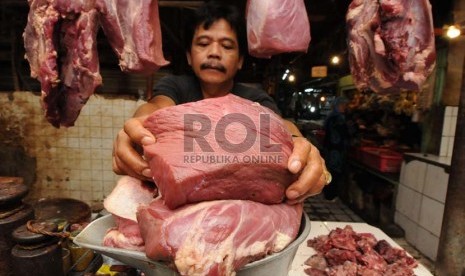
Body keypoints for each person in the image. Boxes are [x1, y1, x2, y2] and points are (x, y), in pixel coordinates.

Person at [112, 1, 329, 204]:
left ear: (241, 60)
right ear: (189, 56)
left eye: (227, 46)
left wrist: (300, 145)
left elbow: (280, 126)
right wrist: (140, 125)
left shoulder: (254, 98)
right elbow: (157, 107)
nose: (214, 53)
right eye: (203, 43)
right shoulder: (176, 87)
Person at [322, 96, 350, 200]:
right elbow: (345, 133)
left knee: (329, 170)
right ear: (338, 105)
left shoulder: (330, 117)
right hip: (336, 150)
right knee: (334, 172)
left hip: (330, 148)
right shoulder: (339, 118)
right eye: (343, 105)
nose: (345, 107)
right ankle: (331, 194)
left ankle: (328, 192)